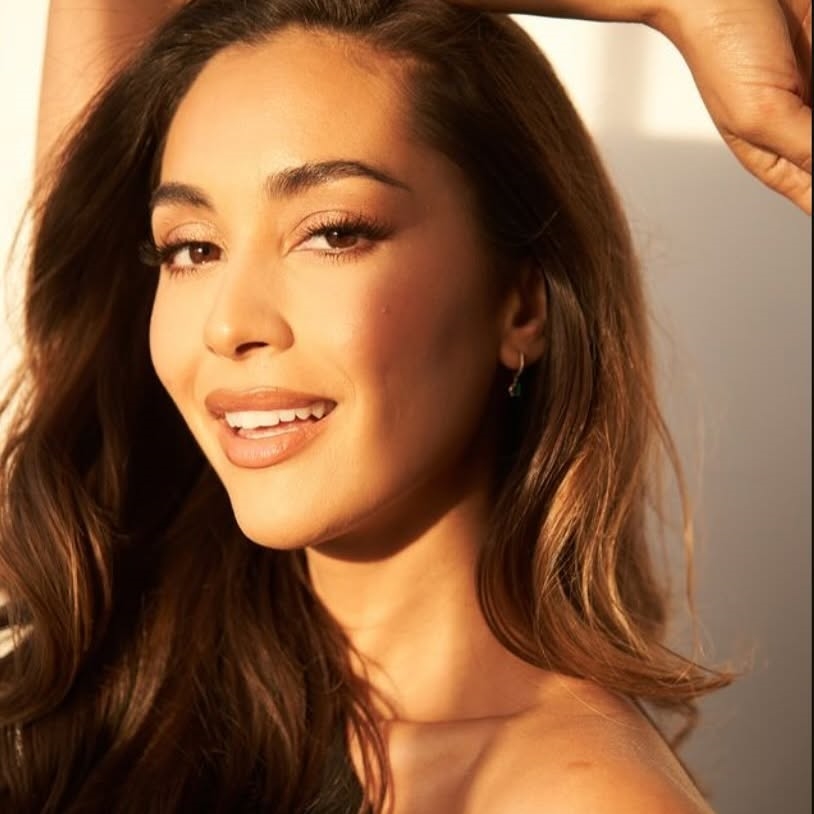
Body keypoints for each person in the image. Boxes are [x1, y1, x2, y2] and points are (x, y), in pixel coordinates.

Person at [0, 1, 807, 812]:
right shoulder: (111, 621)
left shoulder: (576, 797)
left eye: (334, 233)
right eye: (192, 248)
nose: (227, 324)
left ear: (523, 303)